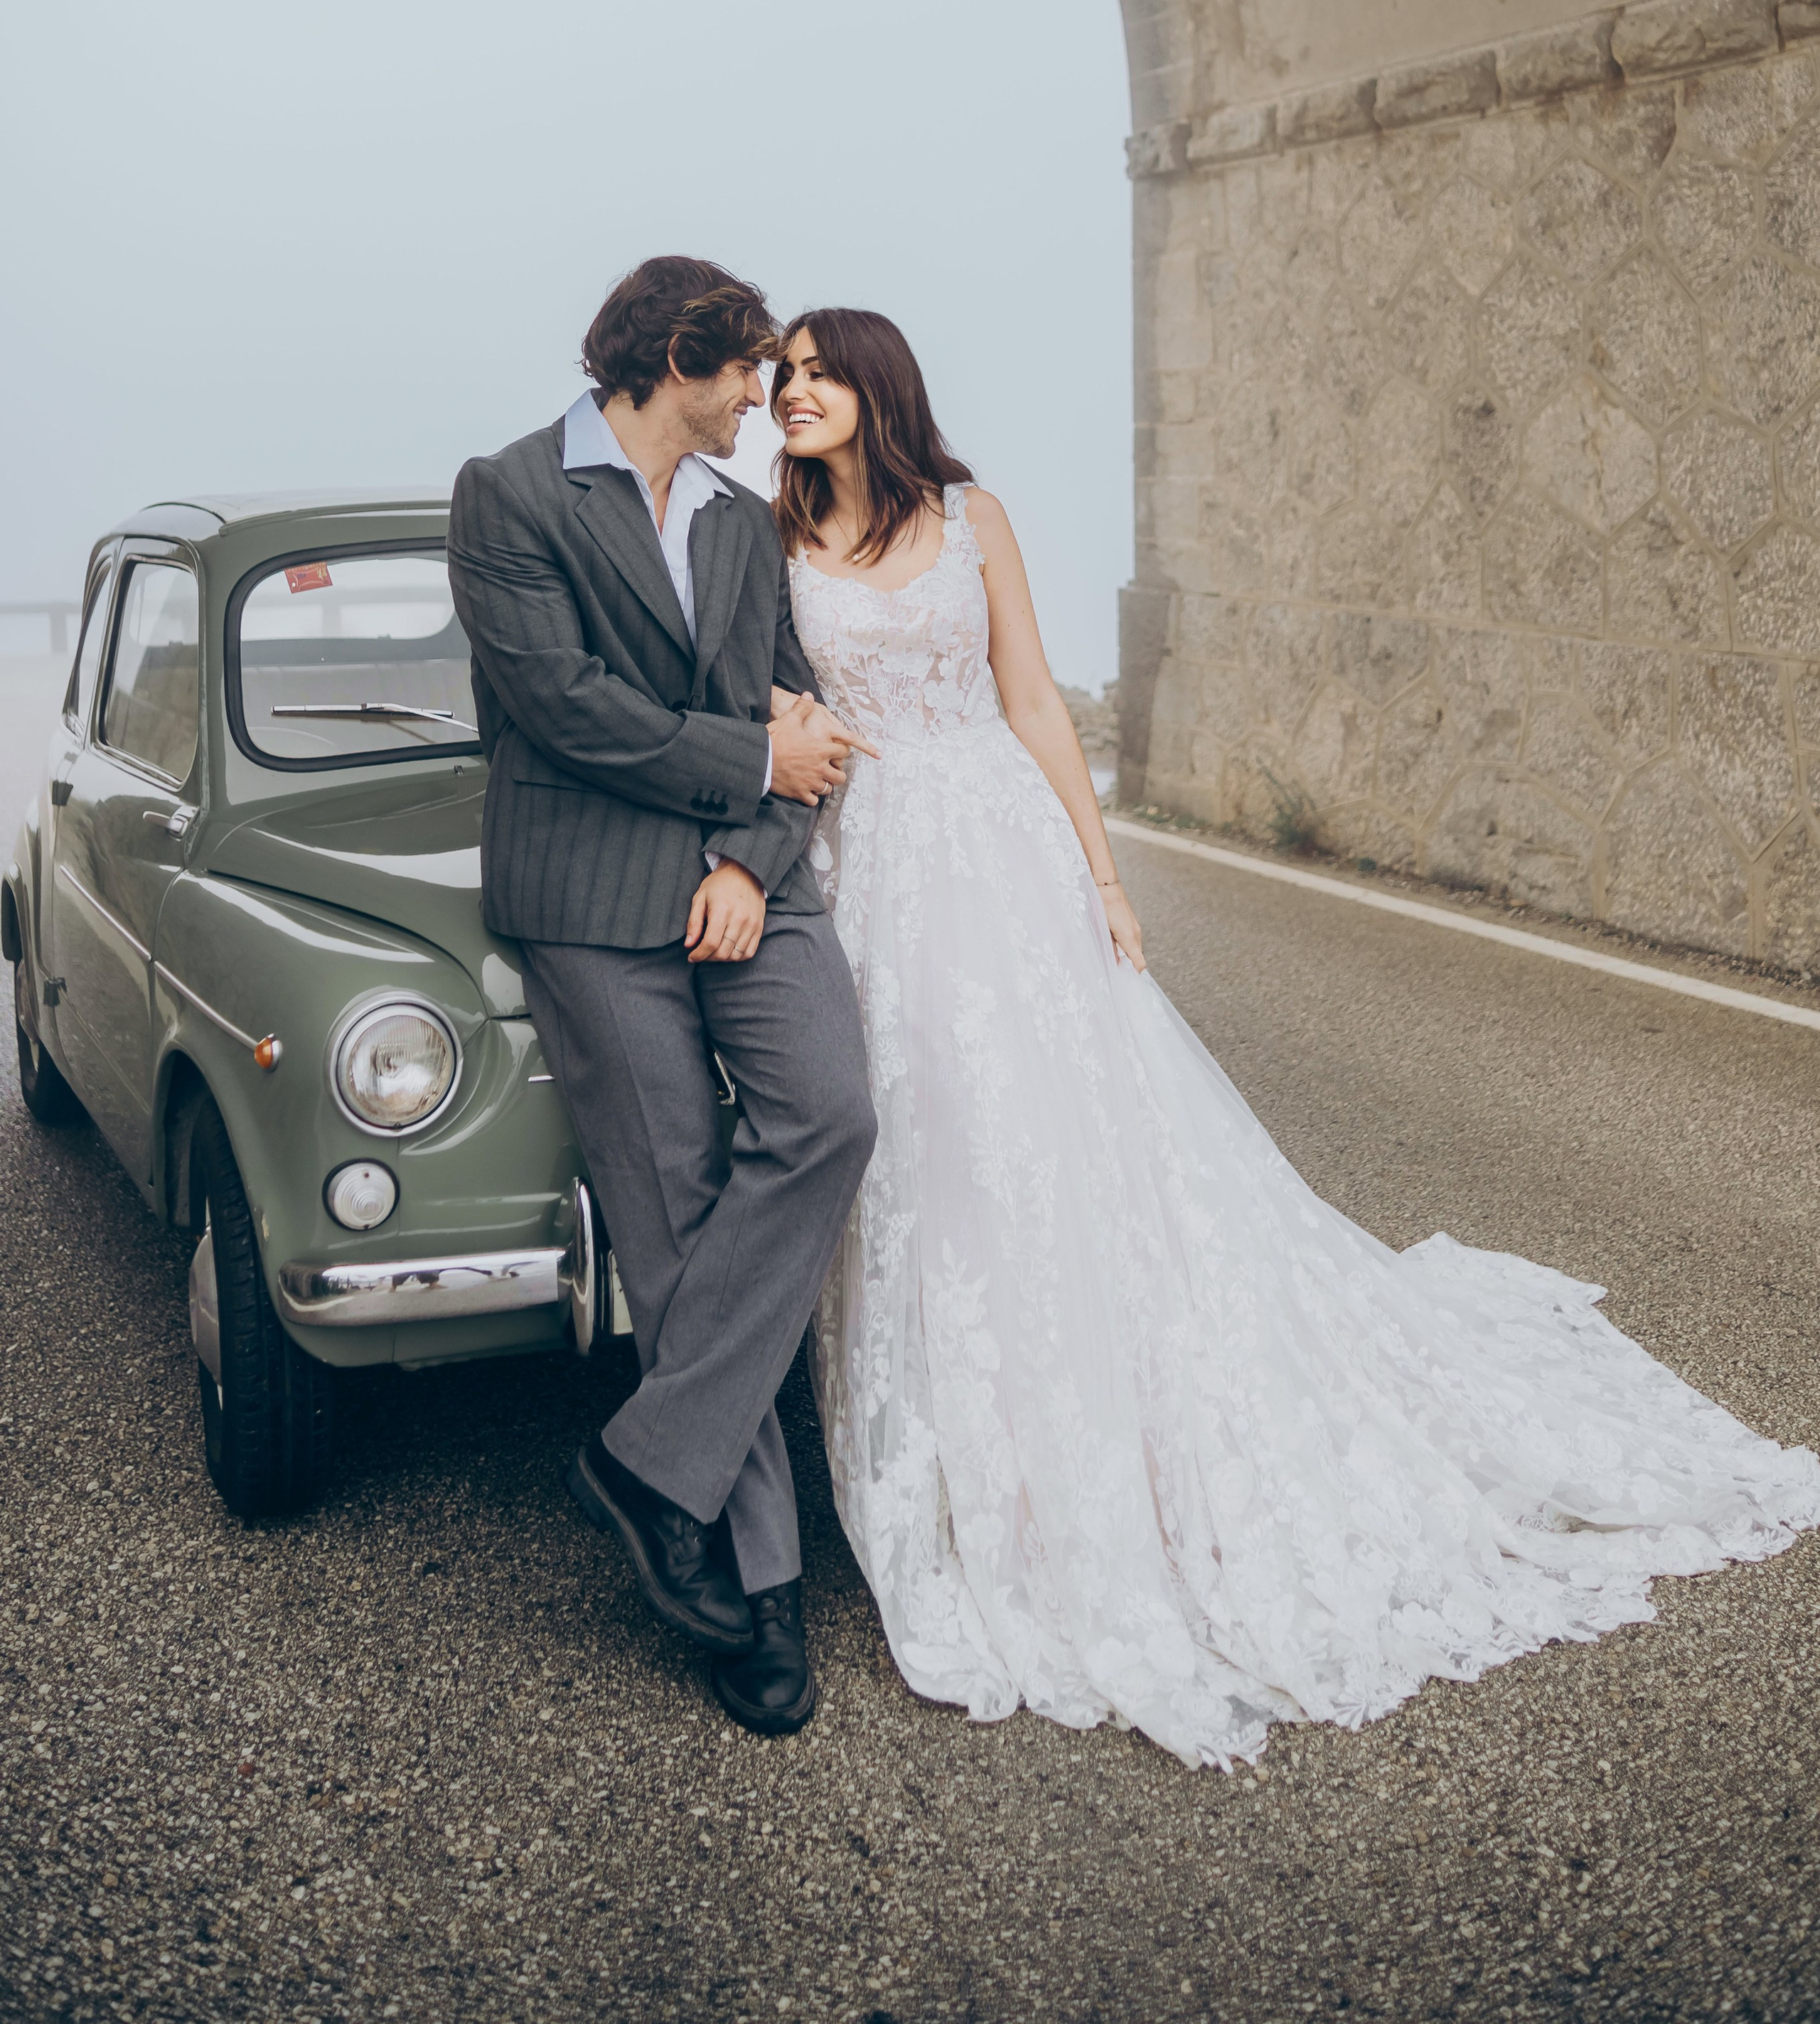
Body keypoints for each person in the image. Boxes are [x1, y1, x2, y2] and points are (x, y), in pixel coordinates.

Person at [771, 306, 1820, 1770]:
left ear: (876, 388)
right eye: (782, 378)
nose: (795, 394)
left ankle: (1121, 1435)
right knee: (929, 1152)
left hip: (999, 854)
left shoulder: (969, 516)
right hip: (869, 865)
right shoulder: (771, 550)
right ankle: (978, 1467)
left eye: (820, 373)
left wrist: (1104, 875)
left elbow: (1029, 702)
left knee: (1065, 1136)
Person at [447, 257, 879, 1737]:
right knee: (680, 1215)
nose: (765, 399)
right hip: (586, 903)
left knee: (830, 1113)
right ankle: (754, 1586)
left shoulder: (739, 520)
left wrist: (757, 854)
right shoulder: (507, 494)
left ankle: (644, 1463)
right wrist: (753, 765)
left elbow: (791, 705)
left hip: (740, 883)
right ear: (678, 353)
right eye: (748, 371)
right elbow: (565, 712)